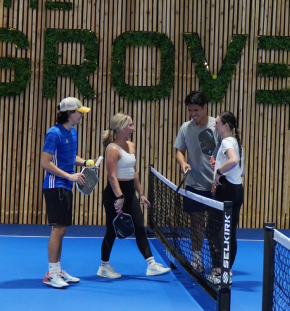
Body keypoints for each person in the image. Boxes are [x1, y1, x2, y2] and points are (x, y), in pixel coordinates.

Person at [97, 113, 171, 279]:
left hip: (130, 193)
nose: (133, 128)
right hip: (114, 195)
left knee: (139, 227)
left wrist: (141, 193)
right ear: (121, 127)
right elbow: (112, 176)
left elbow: (134, 172)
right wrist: (120, 197)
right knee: (111, 231)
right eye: (130, 125)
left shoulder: (132, 146)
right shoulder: (112, 149)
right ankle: (104, 267)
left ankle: (151, 265)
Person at [40, 97, 95, 289]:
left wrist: (86, 162)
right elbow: (45, 163)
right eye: (79, 112)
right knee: (58, 229)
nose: (82, 115)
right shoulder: (53, 133)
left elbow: (70, 157)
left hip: (66, 186)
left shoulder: (73, 131)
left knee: (61, 229)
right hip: (56, 185)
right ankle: (51, 273)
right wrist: (69, 176)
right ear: (70, 113)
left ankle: (57, 269)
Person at [174, 91, 221, 273]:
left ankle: (220, 265)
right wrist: (182, 162)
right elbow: (179, 150)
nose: (193, 114)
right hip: (194, 184)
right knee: (196, 224)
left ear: (205, 107)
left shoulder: (216, 126)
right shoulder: (186, 127)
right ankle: (197, 259)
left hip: (216, 186)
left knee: (217, 228)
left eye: (196, 110)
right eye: (190, 110)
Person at [208, 111, 245, 284]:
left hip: (227, 191)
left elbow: (234, 160)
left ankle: (217, 272)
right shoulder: (238, 142)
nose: (214, 125)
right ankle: (226, 272)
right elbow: (242, 171)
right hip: (238, 190)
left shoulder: (226, 142)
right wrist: (219, 166)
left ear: (226, 126)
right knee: (230, 233)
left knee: (212, 230)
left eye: (217, 123)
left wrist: (219, 172)